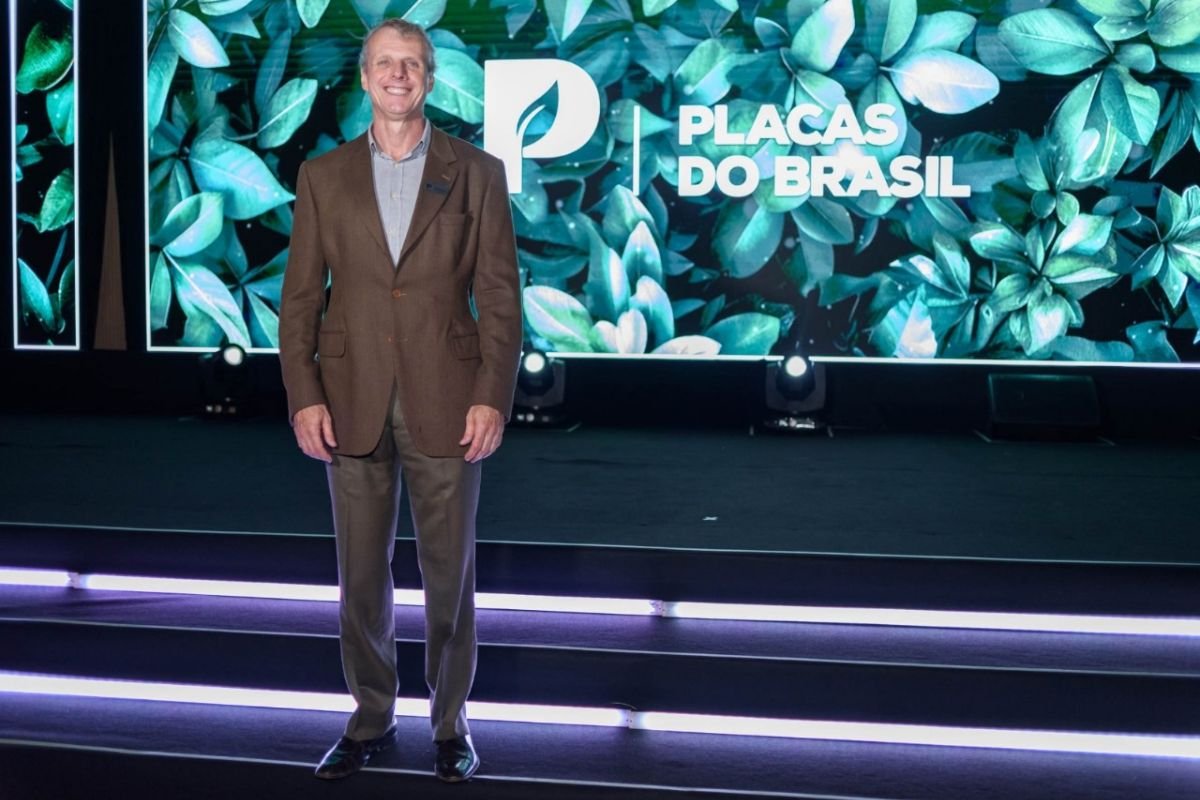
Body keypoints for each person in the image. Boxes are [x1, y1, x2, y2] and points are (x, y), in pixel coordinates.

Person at [277, 17, 522, 783]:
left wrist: (491, 396)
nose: (397, 75)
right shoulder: (322, 177)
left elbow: (500, 298)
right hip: (348, 399)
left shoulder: (476, 171)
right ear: (363, 77)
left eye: (411, 64)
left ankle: (450, 725)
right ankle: (370, 717)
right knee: (360, 575)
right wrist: (303, 394)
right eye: (384, 63)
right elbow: (298, 304)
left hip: (449, 401)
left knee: (449, 575)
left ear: (430, 76)